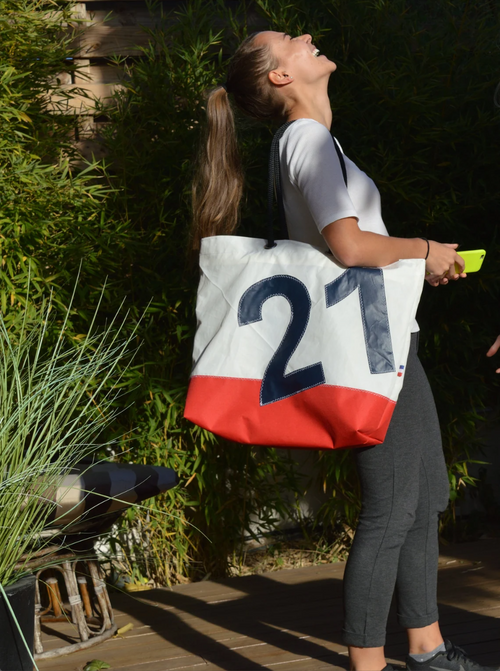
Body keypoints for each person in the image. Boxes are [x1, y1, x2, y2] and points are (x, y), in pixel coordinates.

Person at [191, 32, 494, 671]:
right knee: (391, 506)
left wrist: (422, 265)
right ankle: (369, 664)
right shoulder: (306, 140)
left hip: (386, 339)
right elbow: (350, 247)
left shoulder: (312, 141)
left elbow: (348, 249)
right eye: (289, 40)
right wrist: (425, 249)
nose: (305, 37)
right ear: (280, 77)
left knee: (427, 493)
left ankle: (427, 648)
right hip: (367, 350)